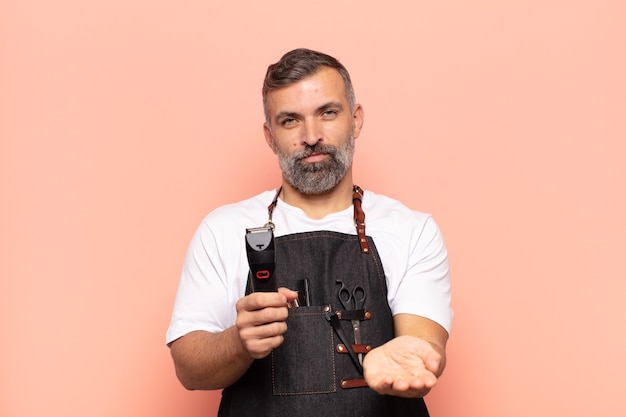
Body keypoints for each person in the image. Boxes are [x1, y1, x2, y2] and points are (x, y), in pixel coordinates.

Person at [166, 48, 452, 417]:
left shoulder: (412, 230)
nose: (311, 136)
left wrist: (414, 356)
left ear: (357, 119)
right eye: (290, 121)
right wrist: (239, 342)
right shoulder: (223, 230)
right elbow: (189, 368)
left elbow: (424, 339)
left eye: (327, 113)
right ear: (270, 136)